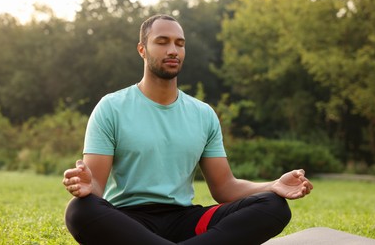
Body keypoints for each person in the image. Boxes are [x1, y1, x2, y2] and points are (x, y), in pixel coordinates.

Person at [62, 14, 313, 245]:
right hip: (128, 222)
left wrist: (273, 185)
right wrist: (86, 185)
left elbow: (224, 188)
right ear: (142, 50)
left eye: (179, 43)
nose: (173, 50)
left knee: (273, 206)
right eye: (162, 42)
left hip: (186, 221)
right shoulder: (111, 107)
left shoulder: (203, 114)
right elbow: (95, 188)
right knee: (79, 210)